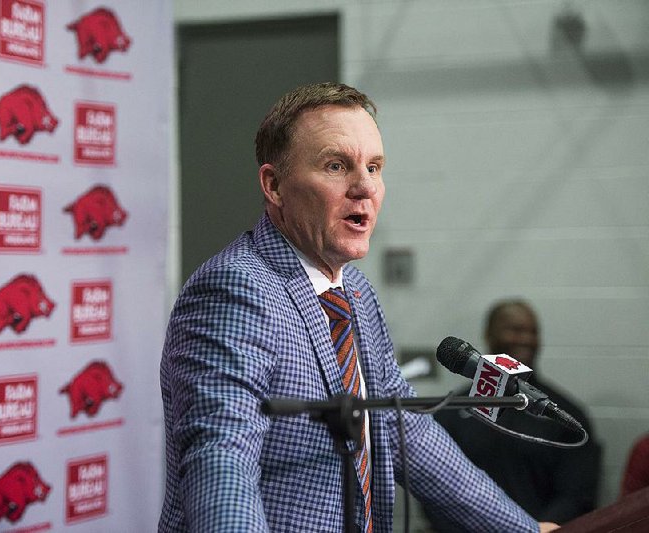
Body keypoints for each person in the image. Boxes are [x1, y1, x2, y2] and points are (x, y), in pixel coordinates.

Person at [160, 83, 556, 532]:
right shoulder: (235, 289)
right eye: (336, 165)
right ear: (273, 185)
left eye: (374, 166)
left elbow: (412, 435)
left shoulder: (357, 295)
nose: (365, 186)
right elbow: (221, 461)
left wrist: (521, 529)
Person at [429, 300, 601, 530]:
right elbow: (435, 486)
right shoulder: (453, 412)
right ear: (490, 334)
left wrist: (531, 528)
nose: (526, 339)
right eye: (515, 330)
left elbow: (577, 495)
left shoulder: (563, 414)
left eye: (533, 331)